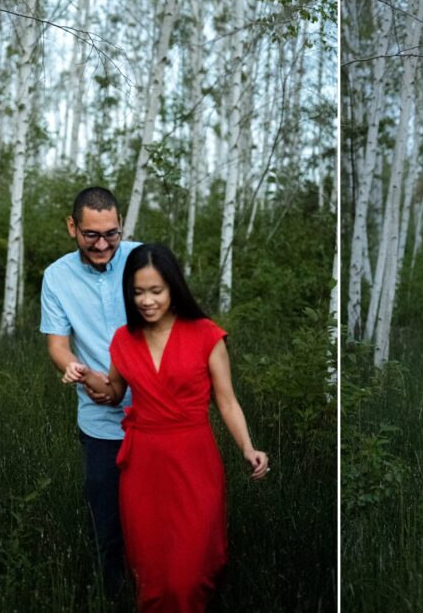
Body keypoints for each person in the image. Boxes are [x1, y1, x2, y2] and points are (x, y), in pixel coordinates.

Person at [65, 243, 269, 612]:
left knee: (187, 574)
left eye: (155, 291)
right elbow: (113, 394)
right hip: (143, 467)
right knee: (152, 573)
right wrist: (84, 376)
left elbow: (227, 401)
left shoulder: (206, 335)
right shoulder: (123, 340)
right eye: (138, 292)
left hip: (194, 463)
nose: (146, 300)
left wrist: (248, 447)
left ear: (174, 288)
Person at [40, 186, 140, 600]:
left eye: (111, 234)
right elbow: (58, 345)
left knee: (158, 525)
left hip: (155, 418)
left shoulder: (143, 260)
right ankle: (115, 600)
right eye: (91, 235)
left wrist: (122, 381)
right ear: (72, 227)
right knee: (108, 529)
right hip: (99, 424)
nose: (103, 245)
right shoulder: (57, 276)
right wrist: (75, 371)